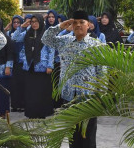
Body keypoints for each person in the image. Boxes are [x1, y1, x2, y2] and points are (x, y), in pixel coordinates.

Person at [42, 10, 105, 148]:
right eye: (75, 22)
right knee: (73, 137)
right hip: (68, 96)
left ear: (88, 25)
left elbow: (102, 72)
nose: (78, 25)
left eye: (81, 22)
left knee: (88, 138)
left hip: (88, 97)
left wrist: (101, 96)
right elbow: (45, 39)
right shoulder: (65, 42)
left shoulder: (96, 45)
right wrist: (60, 26)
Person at [21, 14, 54, 118]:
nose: (34, 24)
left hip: (42, 66)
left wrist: (50, 65)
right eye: (32, 22)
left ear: (40, 22)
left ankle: (41, 113)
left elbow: (51, 50)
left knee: (41, 91)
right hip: (30, 66)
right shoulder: (28, 33)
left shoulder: (46, 34)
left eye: (36, 22)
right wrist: (22, 26)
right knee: (31, 91)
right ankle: (31, 113)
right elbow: (15, 38)